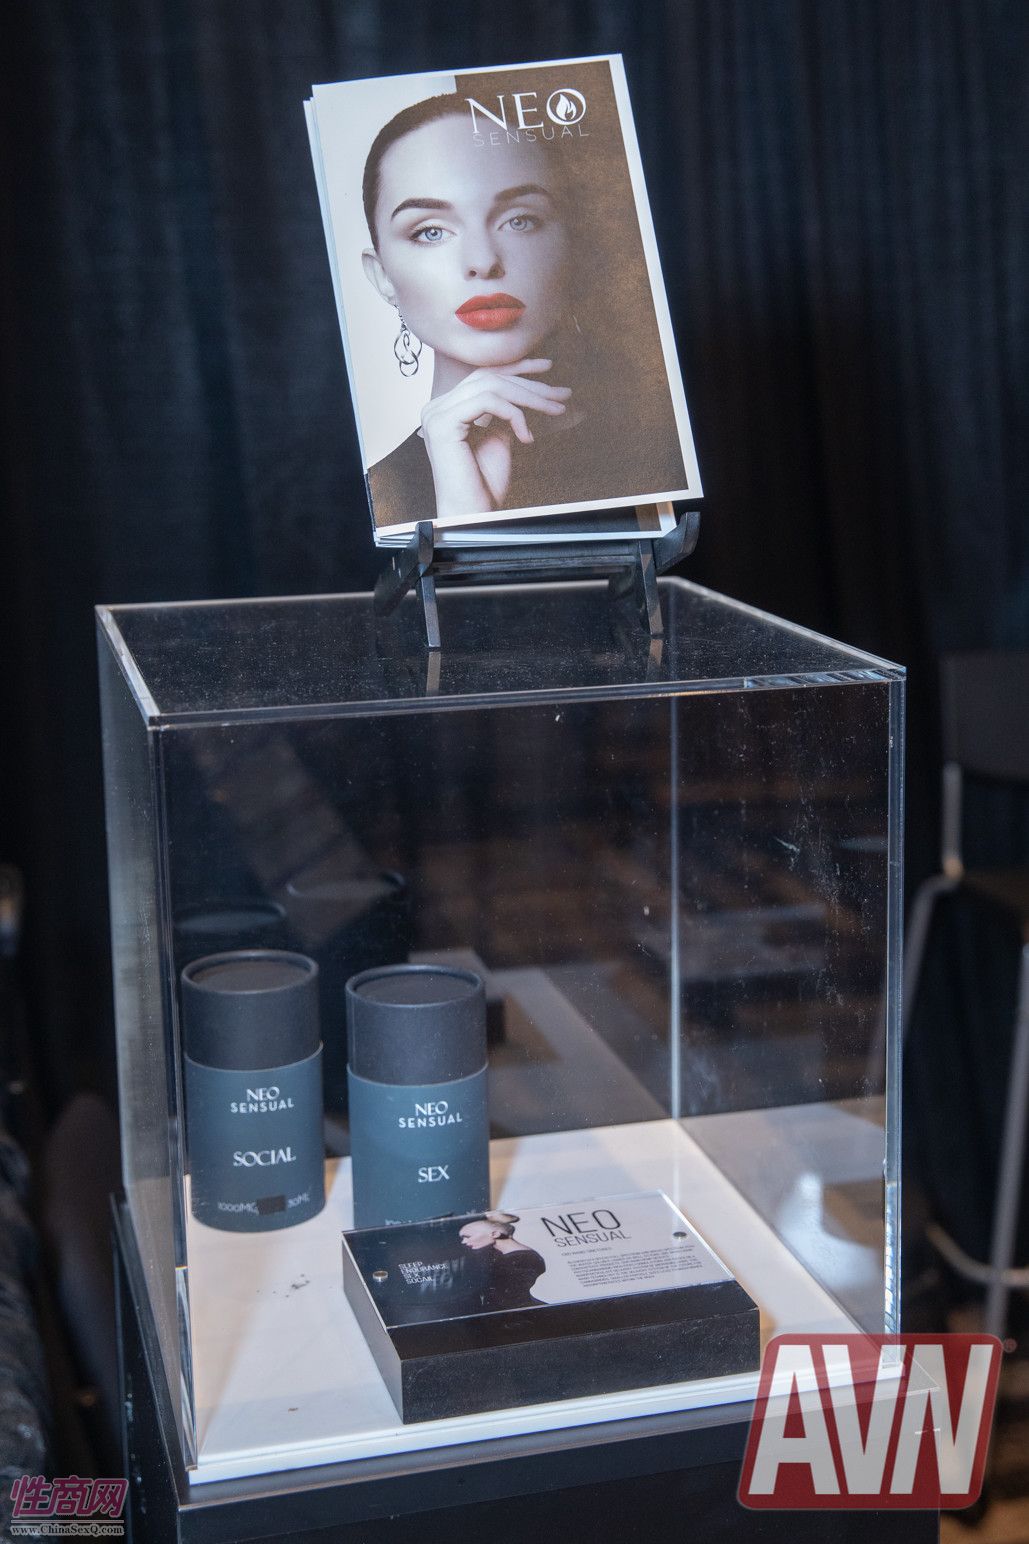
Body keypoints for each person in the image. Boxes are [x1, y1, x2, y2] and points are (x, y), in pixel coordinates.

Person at [360, 91, 682, 529]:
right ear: (382, 276)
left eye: (519, 220)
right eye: (431, 231)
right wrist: (464, 522)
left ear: (572, 248)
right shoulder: (377, 495)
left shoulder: (655, 450)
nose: (483, 261)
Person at [458, 1210, 546, 1310]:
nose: (463, 1242)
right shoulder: (517, 1256)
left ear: (495, 1234)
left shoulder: (518, 1260)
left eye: (467, 1236)